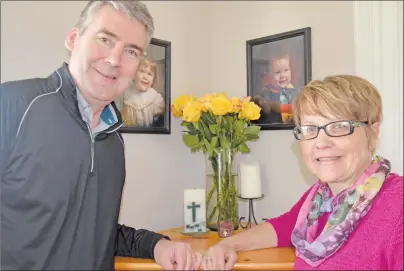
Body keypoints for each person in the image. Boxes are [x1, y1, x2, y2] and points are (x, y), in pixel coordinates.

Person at [0, 1, 201, 270]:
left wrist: (156, 244)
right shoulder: (13, 105)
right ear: (73, 39)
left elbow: (95, 234)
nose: (114, 60)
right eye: (105, 39)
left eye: (131, 51)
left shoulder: (113, 139)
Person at [202, 75, 403, 270]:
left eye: (339, 126)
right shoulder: (319, 200)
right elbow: (284, 227)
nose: (322, 143)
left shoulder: (398, 206)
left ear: (373, 132)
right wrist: (227, 245)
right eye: (309, 129)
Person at [253, 54, 298, 124]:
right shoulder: (266, 92)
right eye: (277, 72)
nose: (282, 75)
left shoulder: (296, 92)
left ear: (291, 71)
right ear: (270, 75)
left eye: (286, 70)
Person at [121, 58, 165, 128]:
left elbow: (159, 124)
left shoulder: (156, 98)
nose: (145, 77)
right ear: (134, 74)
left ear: (153, 80)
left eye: (149, 74)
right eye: (141, 71)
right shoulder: (126, 94)